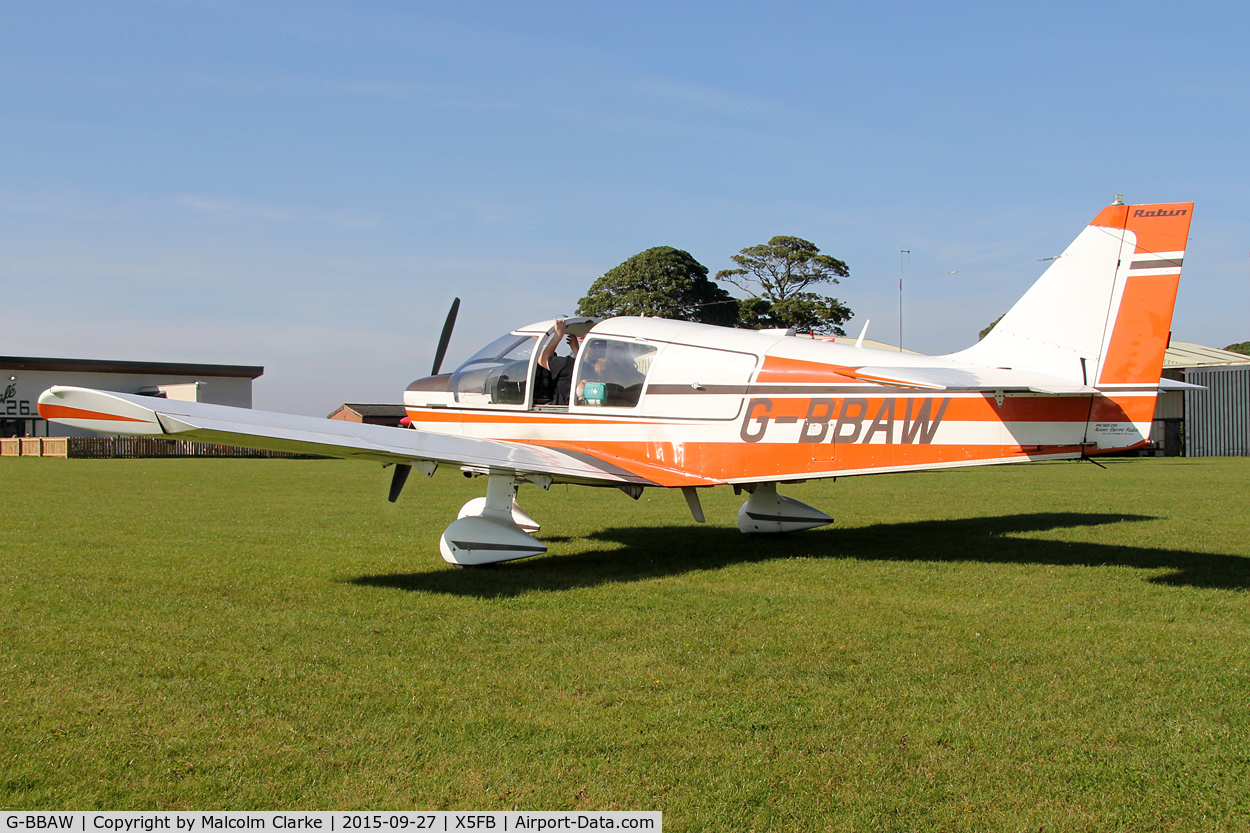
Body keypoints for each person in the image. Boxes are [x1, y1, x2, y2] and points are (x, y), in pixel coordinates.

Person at [535, 318, 579, 405]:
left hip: (561, 411)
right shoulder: (591, 370)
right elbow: (582, 365)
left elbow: (542, 360)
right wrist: (575, 349)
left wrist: (558, 335)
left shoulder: (568, 365)